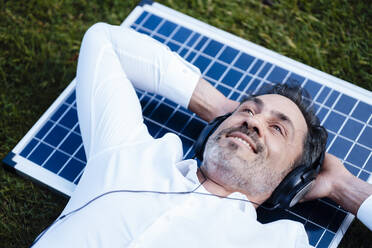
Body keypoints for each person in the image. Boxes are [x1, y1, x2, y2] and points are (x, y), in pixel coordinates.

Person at [32, 23, 372, 248]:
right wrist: (222, 109)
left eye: (277, 128)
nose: (253, 122)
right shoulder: (130, 153)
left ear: (292, 180)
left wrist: (349, 190)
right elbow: (104, 42)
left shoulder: (278, 241)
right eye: (249, 111)